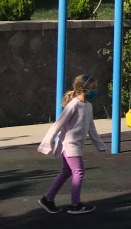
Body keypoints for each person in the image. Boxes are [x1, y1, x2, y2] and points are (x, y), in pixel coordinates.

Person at [38, 74, 106, 215]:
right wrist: (46, 144)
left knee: (67, 171)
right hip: (70, 145)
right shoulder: (73, 105)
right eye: (93, 88)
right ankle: (75, 205)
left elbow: (91, 127)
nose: (95, 91)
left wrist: (99, 145)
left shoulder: (88, 106)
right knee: (79, 171)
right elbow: (58, 125)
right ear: (84, 89)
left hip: (77, 145)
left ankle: (47, 199)